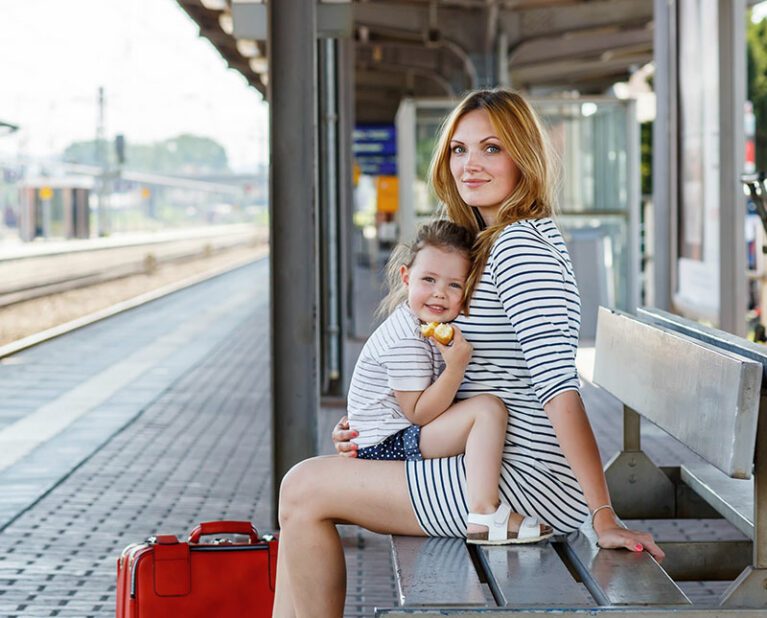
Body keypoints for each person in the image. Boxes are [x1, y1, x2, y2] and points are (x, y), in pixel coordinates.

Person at [273, 89, 664, 618]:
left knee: (302, 490)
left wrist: (602, 514)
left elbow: (559, 389)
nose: (469, 164)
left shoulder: (519, 249)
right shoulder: (490, 241)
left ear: (523, 156)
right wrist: (381, 427)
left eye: (491, 148)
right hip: (484, 458)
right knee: (303, 488)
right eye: (459, 149)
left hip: (522, 482)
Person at [348, 219, 552, 544]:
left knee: (482, 413)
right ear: (405, 277)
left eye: (454, 285)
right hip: (385, 447)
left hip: (397, 437)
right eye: (428, 279)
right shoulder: (405, 339)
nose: (439, 294)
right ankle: (485, 514)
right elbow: (418, 413)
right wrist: (456, 367)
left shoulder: (421, 325)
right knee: (486, 410)